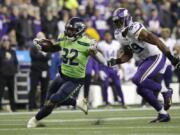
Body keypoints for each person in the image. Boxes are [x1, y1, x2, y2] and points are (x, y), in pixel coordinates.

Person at [27, 17, 107, 128]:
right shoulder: (63, 37)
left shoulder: (86, 43)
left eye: (72, 30)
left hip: (75, 79)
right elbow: (54, 48)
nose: (69, 32)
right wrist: (44, 48)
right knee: (48, 102)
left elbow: (102, 60)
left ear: (79, 31)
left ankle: (33, 120)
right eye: (68, 29)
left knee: (54, 99)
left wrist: (95, 52)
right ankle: (36, 120)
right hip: (62, 75)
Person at [108, 8, 180, 123]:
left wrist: (171, 57)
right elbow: (128, 54)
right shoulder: (119, 35)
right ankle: (163, 114)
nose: (118, 24)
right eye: (116, 22)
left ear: (126, 19)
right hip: (146, 60)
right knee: (140, 89)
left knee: (138, 79)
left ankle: (166, 91)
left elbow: (157, 41)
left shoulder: (135, 28)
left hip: (156, 56)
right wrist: (116, 61)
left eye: (120, 21)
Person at [98, 31, 126, 107]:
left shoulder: (116, 44)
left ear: (111, 36)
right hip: (105, 68)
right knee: (105, 85)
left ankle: (123, 102)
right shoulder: (101, 44)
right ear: (104, 37)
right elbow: (99, 57)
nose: (107, 37)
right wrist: (100, 69)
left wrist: (120, 68)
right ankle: (106, 102)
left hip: (114, 67)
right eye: (106, 36)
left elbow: (118, 56)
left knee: (118, 85)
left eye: (108, 35)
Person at [28, 32, 51, 111]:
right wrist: (42, 55)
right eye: (39, 37)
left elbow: (48, 57)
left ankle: (42, 106)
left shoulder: (47, 46)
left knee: (44, 89)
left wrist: (40, 55)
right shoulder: (33, 46)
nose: (41, 38)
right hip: (35, 71)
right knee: (33, 89)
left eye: (42, 37)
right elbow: (33, 56)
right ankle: (31, 106)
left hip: (44, 70)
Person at [0, 35, 18, 112]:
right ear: (2, 42)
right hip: (2, 75)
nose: (6, 43)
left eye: (8, 41)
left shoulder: (13, 51)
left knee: (12, 92)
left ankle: (13, 108)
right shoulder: (0, 51)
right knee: (0, 92)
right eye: (5, 41)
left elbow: (16, 62)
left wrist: (14, 70)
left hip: (11, 75)